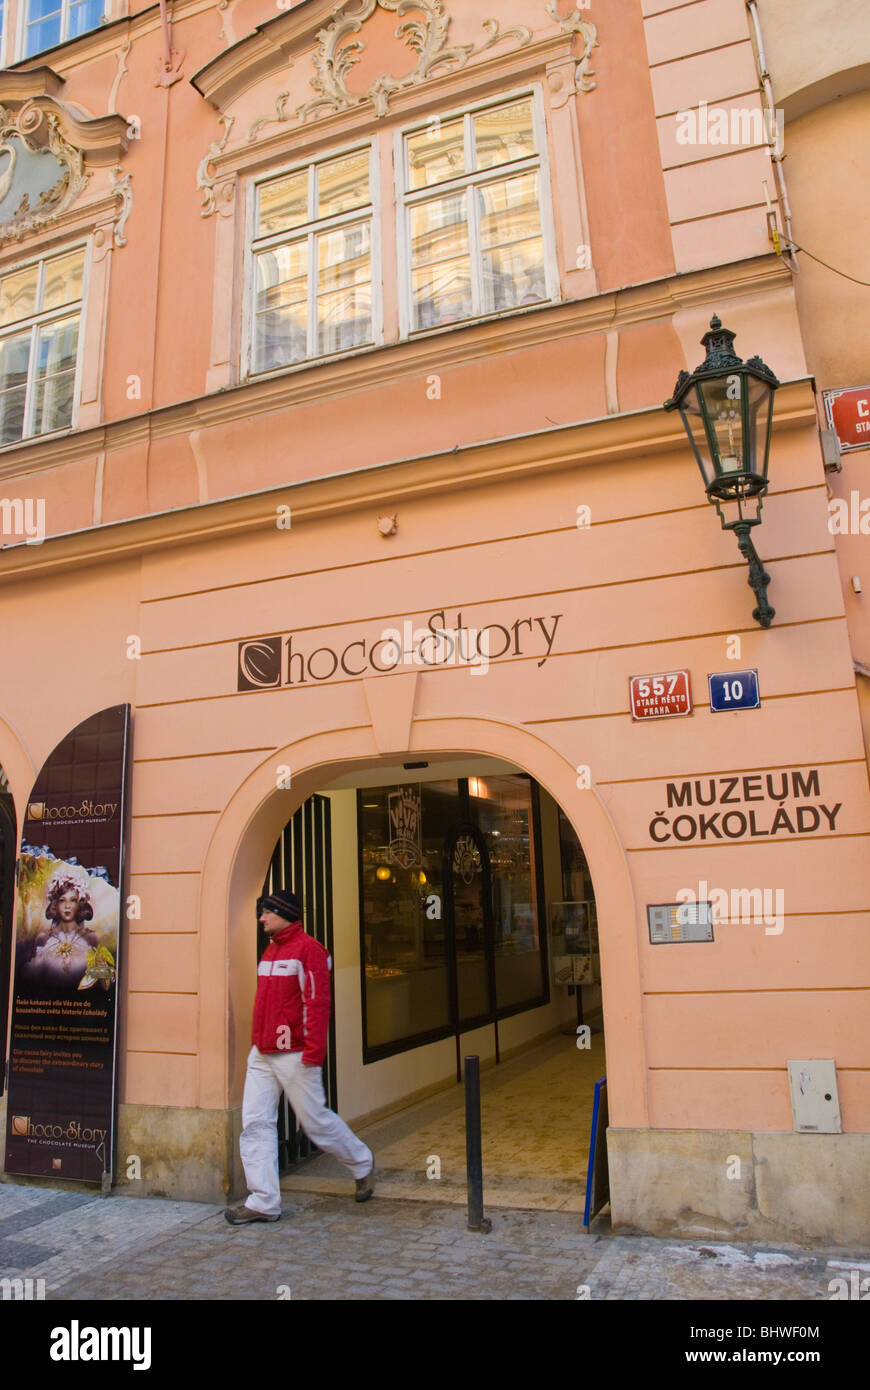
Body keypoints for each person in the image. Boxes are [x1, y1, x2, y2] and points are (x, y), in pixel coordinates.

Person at [225, 886, 375, 1224]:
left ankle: (362, 1163)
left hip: (294, 1054)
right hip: (262, 1052)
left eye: (267, 912)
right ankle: (263, 1201)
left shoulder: (310, 951)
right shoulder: (271, 951)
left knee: (316, 1124)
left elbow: (317, 1004)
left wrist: (313, 1053)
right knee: (255, 1123)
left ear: (284, 914)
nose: (261, 918)